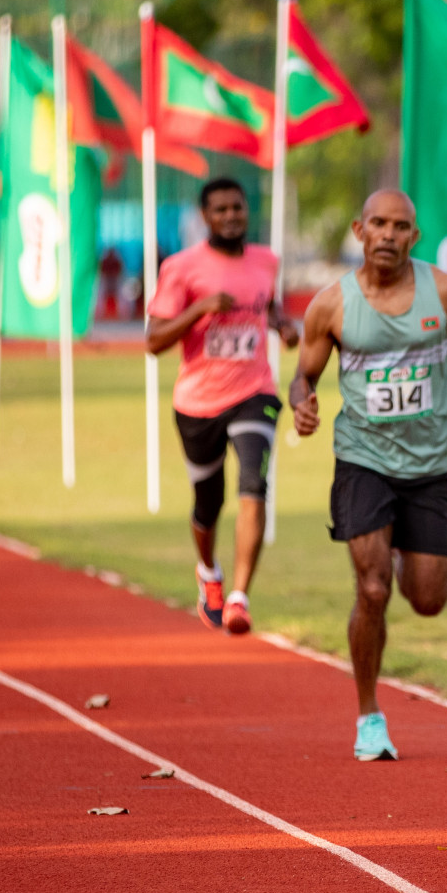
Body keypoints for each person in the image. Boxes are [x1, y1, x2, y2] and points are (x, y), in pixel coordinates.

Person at [290, 189, 447, 762]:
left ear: (414, 236)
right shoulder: (331, 305)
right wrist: (301, 401)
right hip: (363, 458)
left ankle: (403, 553)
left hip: (432, 460)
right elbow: (303, 374)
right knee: (372, 587)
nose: (388, 234)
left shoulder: (445, 291)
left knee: (428, 600)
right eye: (378, 224)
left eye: (400, 226)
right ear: (359, 230)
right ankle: (368, 716)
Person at [146, 177, 300, 636]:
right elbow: (153, 341)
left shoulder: (266, 261)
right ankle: (209, 572)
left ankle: (239, 598)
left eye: (238, 208)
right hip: (198, 402)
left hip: (254, 391)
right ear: (205, 216)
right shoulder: (181, 268)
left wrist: (283, 326)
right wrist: (199, 310)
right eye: (220, 210)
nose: (231, 216)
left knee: (254, 484)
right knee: (208, 502)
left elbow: (268, 307)